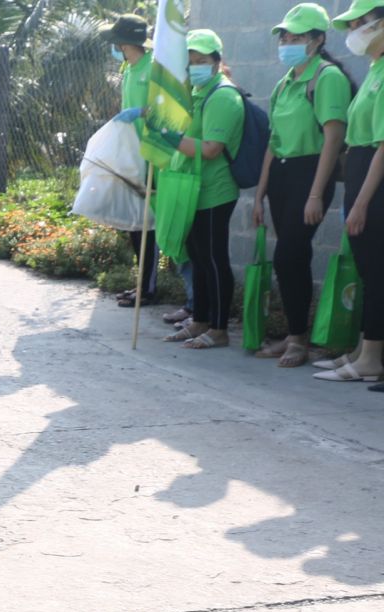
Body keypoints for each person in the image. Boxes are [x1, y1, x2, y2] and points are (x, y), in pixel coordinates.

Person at [250, 5, 353, 368]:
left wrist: (315, 193)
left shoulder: (327, 77)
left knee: (288, 255)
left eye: (297, 37)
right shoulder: (284, 82)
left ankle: (298, 339)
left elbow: (333, 139)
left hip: (310, 174)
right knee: (292, 258)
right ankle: (294, 336)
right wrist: (259, 195)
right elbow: (273, 142)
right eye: (285, 37)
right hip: (281, 175)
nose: (288, 44)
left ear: (318, 40)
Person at [160, 30, 245, 350]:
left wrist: (169, 137)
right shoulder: (198, 92)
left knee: (213, 259)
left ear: (217, 61)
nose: (195, 66)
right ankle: (200, 320)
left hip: (215, 190)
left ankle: (219, 329)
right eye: (191, 61)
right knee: (198, 256)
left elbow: (210, 149)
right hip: (194, 190)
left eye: (202, 60)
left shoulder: (222, 96)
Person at [317, 0, 384, 385]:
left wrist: (360, 203)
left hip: (374, 180)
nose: (354, 30)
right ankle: (362, 350)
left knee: (377, 270)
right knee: (367, 267)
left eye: (361, 22)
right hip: (360, 171)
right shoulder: (375, 68)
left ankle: (372, 358)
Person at [104, 14, 160, 310]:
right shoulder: (128, 69)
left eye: (116, 42)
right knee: (135, 226)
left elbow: (166, 107)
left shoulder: (152, 68)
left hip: (150, 156)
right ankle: (140, 284)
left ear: (125, 43)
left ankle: (148, 289)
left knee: (147, 226)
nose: (115, 48)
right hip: (131, 155)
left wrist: (141, 112)